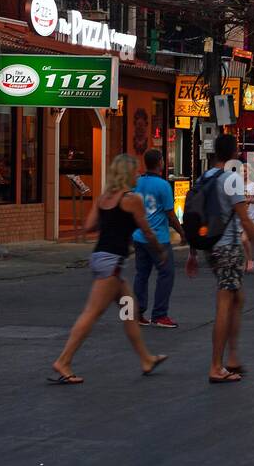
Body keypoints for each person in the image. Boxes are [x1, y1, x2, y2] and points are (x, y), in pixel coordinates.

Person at [50, 154, 169, 384]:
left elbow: (89, 226)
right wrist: (160, 251)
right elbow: (146, 230)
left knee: (129, 309)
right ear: (126, 173)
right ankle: (63, 361)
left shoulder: (104, 198)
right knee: (91, 313)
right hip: (111, 264)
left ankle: (146, 358)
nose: (138, 175)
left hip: (102, 257)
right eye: (135, 171)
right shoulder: (131, 199)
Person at [186, 135, 254, 383]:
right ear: (234, 152)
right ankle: (216, 365)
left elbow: (195, 216)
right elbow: (245, 219)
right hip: (228, 248)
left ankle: (233, 356)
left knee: (237, 297)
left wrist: (193, 252)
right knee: (225, 302)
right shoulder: (231, 179)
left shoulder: (204, 178)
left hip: (210, 247)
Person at [132, 149, 185, 329]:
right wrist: (182, 232)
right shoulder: (163, 186)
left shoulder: (137, 183)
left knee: (142, 274)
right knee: (166, 273)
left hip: (139, 235)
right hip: (158, 238)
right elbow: (171, 214)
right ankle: (160, 314)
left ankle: (138, 312)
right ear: (160, 162)